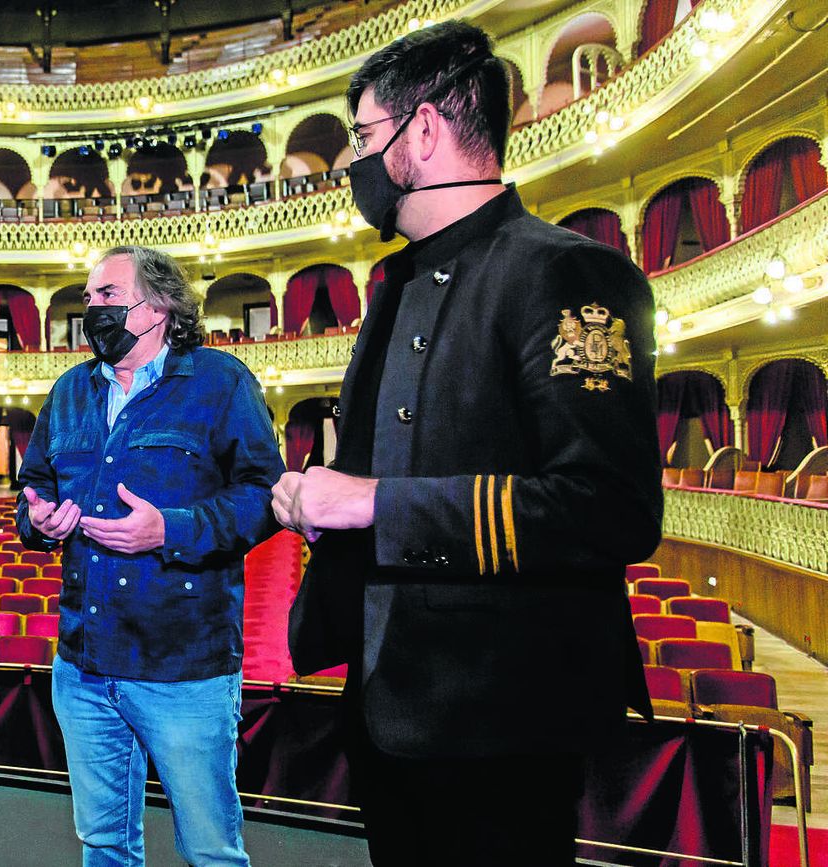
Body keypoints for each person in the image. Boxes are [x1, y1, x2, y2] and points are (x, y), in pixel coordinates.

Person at [275, 21, 660, 866]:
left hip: (503, 716)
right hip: (387, 702)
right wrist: (319, 495)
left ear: (421, 133)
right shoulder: (395, 287)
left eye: (366, 138)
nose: (355, 165)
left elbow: (610, 507)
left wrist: (372, 501)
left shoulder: (565, 273)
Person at [16, 245, 284, 867]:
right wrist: (38, 520)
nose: (93, 309)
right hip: (83, 662)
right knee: (104, 845)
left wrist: (170, 529)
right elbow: (36, 489)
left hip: (183, 662)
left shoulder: (220, 382)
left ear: (158, 304)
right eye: (88, 299)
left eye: (107, 295)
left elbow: (264, 497)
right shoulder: (70, 391)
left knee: (211, 850)